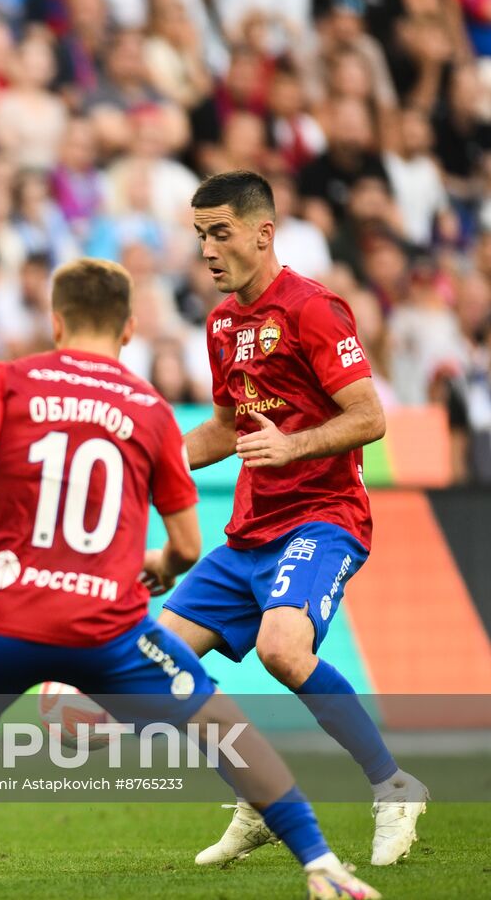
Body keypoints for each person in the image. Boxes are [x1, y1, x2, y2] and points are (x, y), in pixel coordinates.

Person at [0, 258, 382, 900]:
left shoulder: (9, 381)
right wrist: (160, 569)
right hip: (102, 623)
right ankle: (320, 865)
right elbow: (184, 544)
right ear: (128, 330)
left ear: (56, 321)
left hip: (1, 613)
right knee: (219, 723)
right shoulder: (147, 410)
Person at [160, 170, 427, 866]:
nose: (209, 249)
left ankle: (395, 785)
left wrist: (293, 444)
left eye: (221, 233)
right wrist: (157, 465)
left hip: (322, 516)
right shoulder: (221, 324)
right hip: (250, 531)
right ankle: (259, 796)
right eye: (200, 236)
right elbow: (225, 426)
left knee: (283, 646)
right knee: (154, 664)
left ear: (262, 232)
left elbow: (370, 417)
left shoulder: (313, 308)